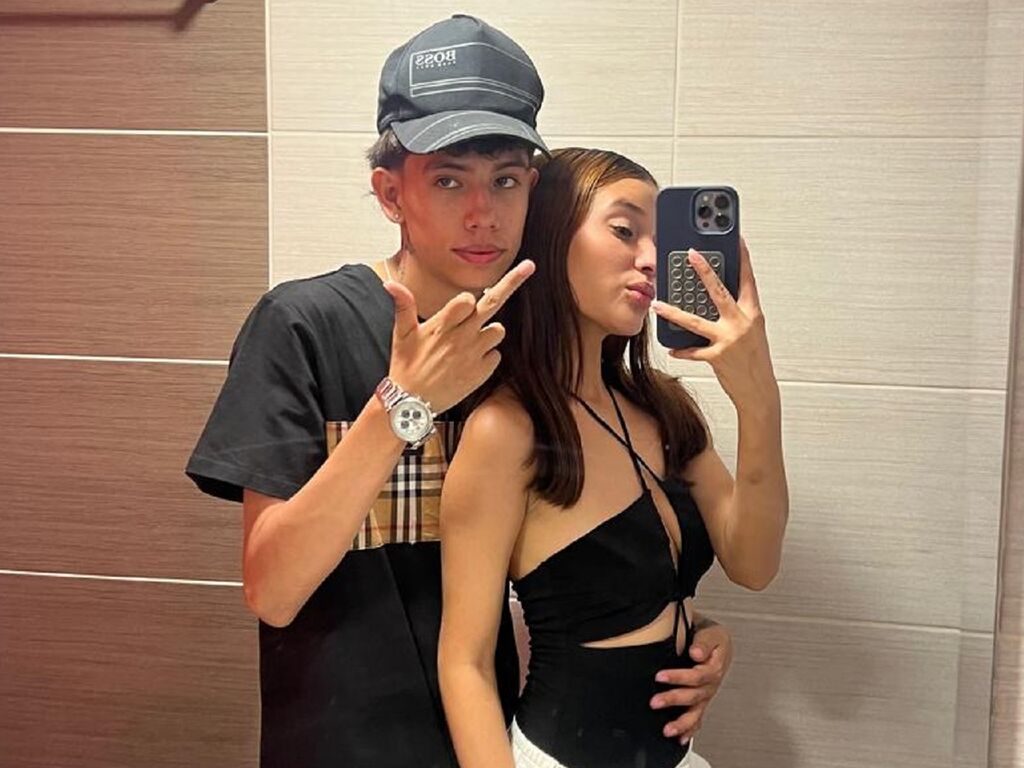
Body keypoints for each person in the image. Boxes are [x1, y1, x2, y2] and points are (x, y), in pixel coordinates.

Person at [186, 16, 734, 768]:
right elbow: (272, 591)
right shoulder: (306, 324)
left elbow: (588, 561)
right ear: (390, 193)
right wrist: (403, 405)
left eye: (504, 180)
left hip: (500, 742)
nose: (483, 213)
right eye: (447, 180)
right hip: (342, 745)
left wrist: (690, 637)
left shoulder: (529, 349)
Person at [437, 148, 789, 768]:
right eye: (625, 231)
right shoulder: (507, 430)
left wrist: (759, 402)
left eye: (658, 238)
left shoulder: (663, 409)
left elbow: (754, 564)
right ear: (551, 238)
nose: (652, 259)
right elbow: (465, 663)